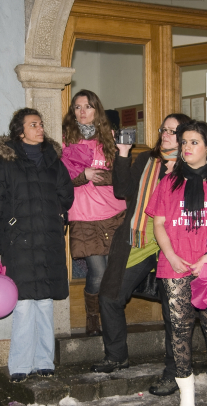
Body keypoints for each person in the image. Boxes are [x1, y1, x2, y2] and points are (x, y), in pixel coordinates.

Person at [145, 120, 207, 406]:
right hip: (175, 264)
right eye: (184, 142)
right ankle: (186, 394)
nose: (186, 147)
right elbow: (158, 222)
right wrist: (171, 255)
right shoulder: (169, 182)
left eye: (193, 142)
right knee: (179, 331)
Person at [91, 114, 191, 399]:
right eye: (164, 130)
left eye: (174, 131)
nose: (166, 135)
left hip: (174, 242)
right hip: (139, 236)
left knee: (174, 311)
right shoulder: (148, 159)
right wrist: (123, 154)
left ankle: (175, 371)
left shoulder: (189, 166)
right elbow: (122, 191)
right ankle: (116, 356)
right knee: (110, 295)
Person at [0, 108, 74, 382]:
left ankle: (44, 361)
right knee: (22, 305)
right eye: (33, 124)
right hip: (17, 244)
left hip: (48, 242)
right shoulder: (5, 165)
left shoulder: (53, 162)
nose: (40, 128)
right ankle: (20, 365)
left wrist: (56, 214)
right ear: (20, 131)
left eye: (41, 123)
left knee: (45, 304)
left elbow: (66, 195)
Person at [61, 90, 128, 336]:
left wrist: (100, 176)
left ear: (96, 109)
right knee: (98, 273)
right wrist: (82, 175)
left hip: (113, 214)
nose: (82, 112)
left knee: (113, 272)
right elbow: (58, 178)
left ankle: (111, 320)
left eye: (87, 106)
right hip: (84, 216)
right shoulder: (66, 140)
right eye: (77, 107)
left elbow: (124, 174)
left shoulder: (110, 137)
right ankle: (92, 319)